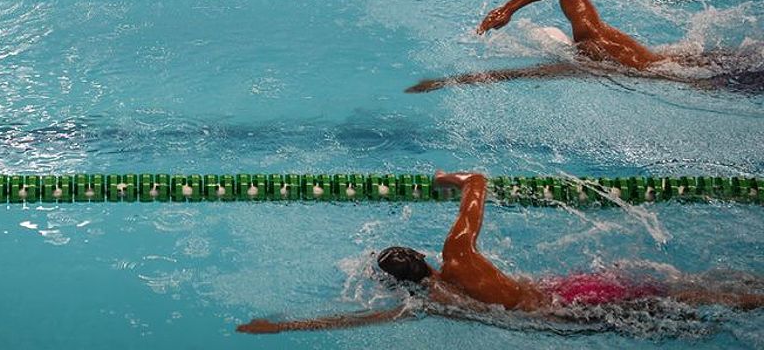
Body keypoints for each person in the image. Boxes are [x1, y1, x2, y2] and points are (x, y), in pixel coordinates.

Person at [237, 171, 764, 335]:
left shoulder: (428, 303)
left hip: (566, 312)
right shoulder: (458, 257)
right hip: (572, 296)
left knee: (689, 301)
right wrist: (453, 178)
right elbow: (478, 183)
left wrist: (283, 328)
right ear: (423, 256)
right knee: (689, 294)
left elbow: (355, 321)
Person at [407, 0, 763, 92]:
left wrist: (508, 10)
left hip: (691, 75)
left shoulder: (591, 41)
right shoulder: (589, 49)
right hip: (686, 64)